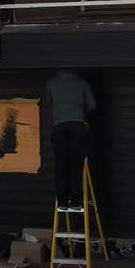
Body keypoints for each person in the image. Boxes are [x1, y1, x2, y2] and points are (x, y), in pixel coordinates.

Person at [44, 68, 95, 209]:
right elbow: (92, 105)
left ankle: (62, 202)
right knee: (76, 163)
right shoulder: (82, 83)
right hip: (78, 125)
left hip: (59, 126)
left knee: (61, 164)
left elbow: (49, 102)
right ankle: (77, 201)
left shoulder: (51, 83)